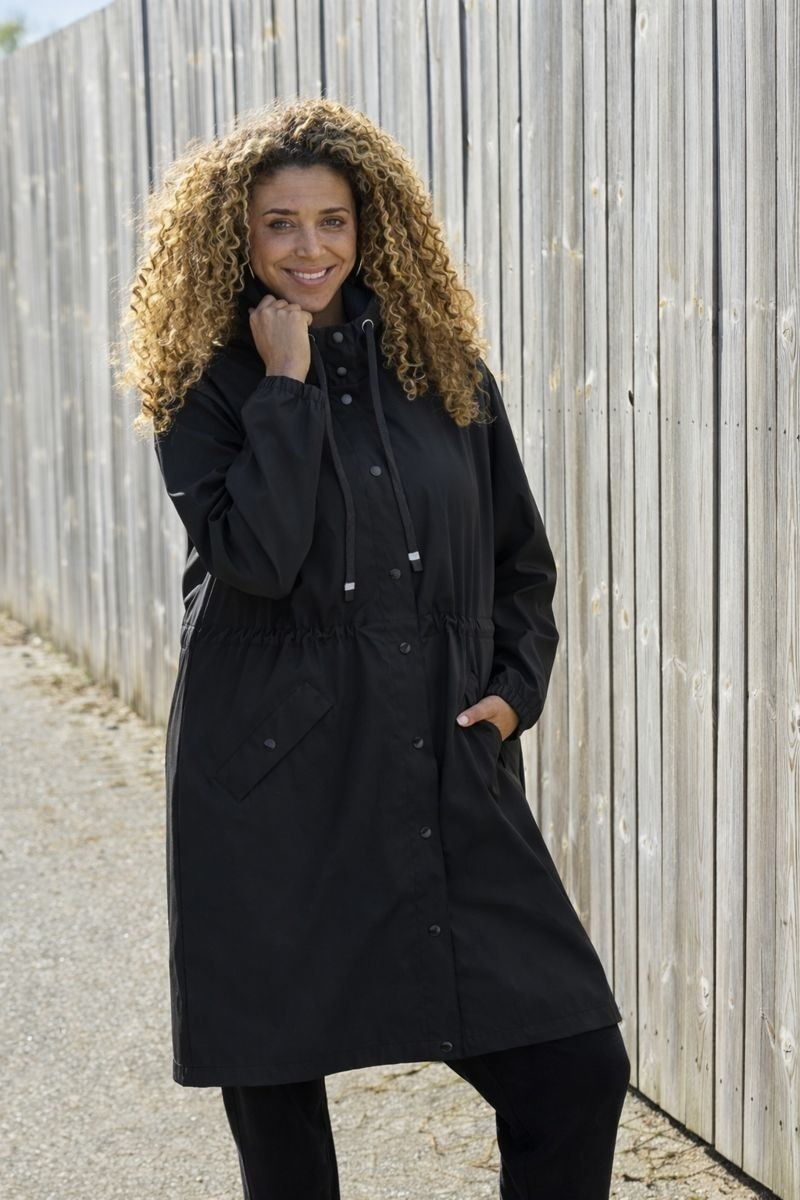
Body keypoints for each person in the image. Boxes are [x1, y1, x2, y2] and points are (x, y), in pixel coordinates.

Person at [120, 96, 630, 1198]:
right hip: (269, 780)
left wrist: (511, 694)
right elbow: (257, 556)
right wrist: (287, 385)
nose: (309, 247)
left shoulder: (443, 371)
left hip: (439, 760)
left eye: (331, 220)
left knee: (575, 1069)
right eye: (279, 224)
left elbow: (519, 564)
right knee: (282, 1117)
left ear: (369, 226)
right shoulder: (203, 382)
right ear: (236, 236)